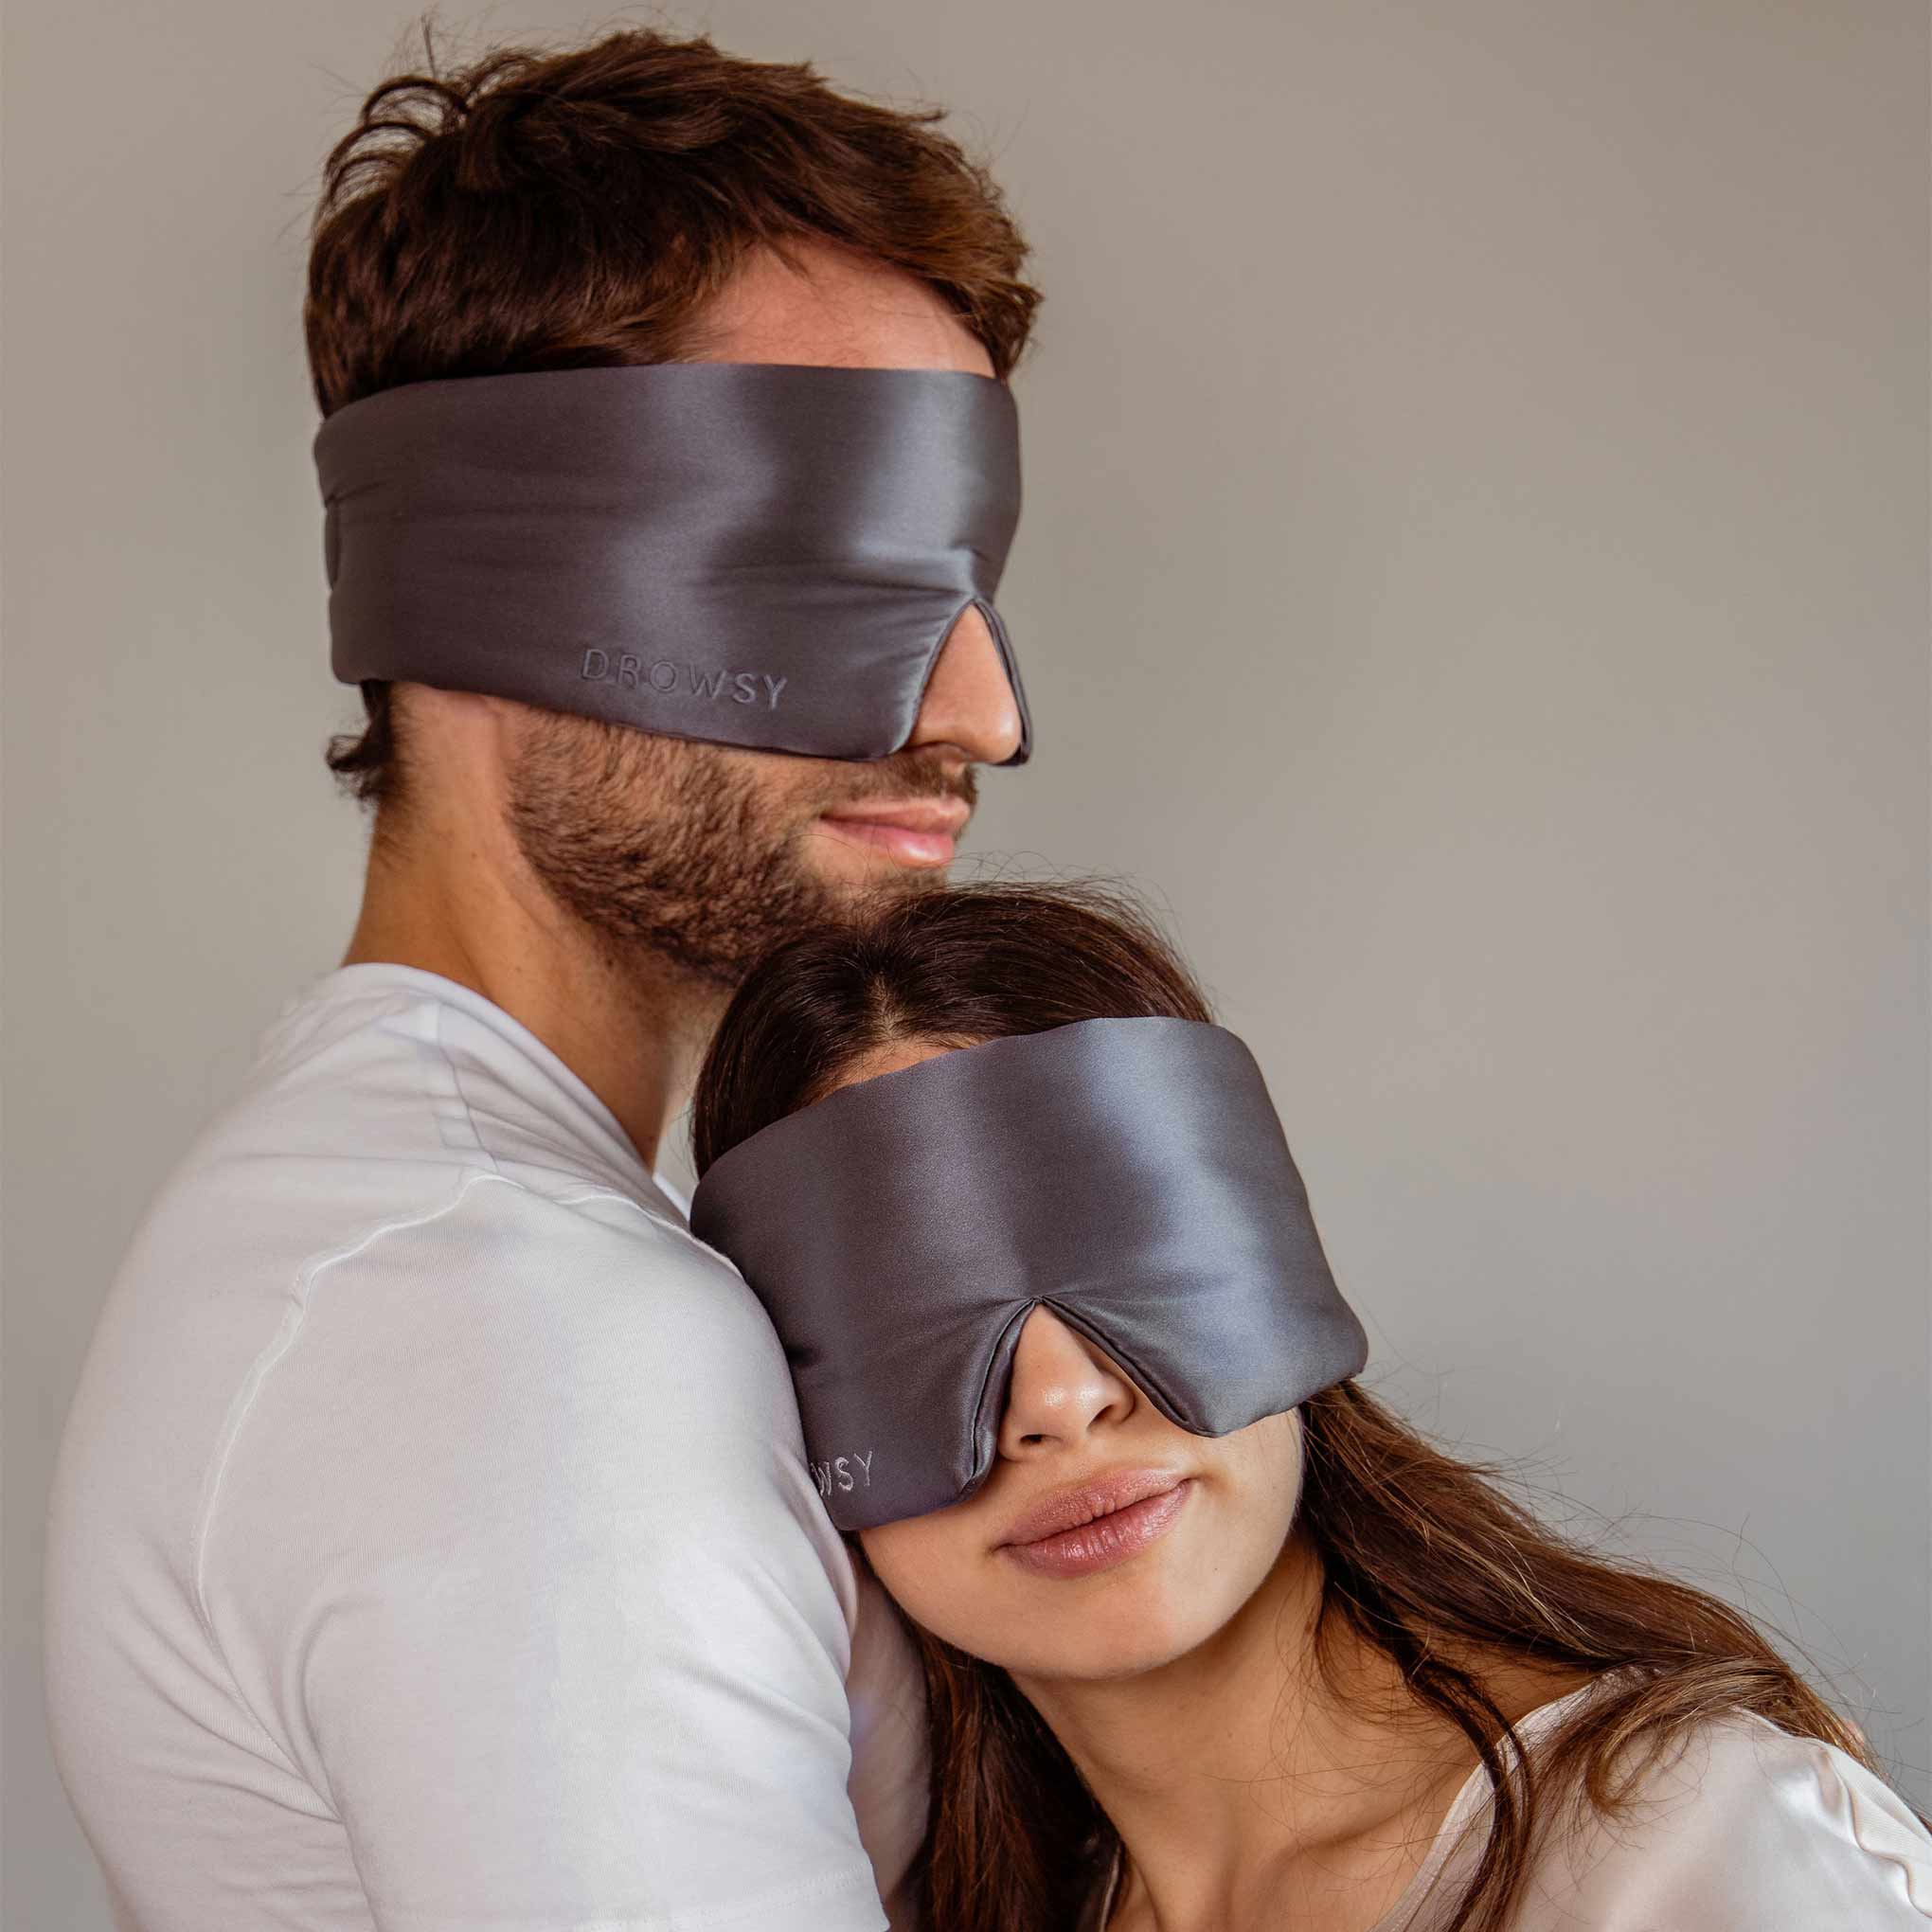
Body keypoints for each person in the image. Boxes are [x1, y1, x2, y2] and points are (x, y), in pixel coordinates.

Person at [44, 26, 1041, 1931]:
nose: (983, 712)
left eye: (971, 575)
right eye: (825, 571)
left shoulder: (402, 1224)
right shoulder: (518, 1340)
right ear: (481, 575)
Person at [686, 881, 1932, 1932]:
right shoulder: (916, 1900)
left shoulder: (1678, 1857)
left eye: (1121, 1249)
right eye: (909, 1326)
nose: (1060, 1402)